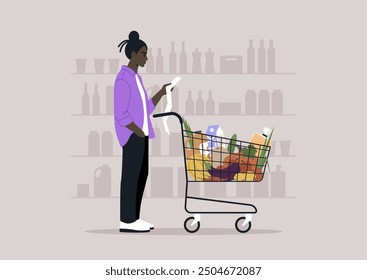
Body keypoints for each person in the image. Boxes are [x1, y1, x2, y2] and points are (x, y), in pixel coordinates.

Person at [114, 31, 172, 233]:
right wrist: (137, 132)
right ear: (133, 55)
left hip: (142, 134)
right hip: (132, 136)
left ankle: (134, 218)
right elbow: (121, 114)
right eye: (143, 54)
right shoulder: (123, 79)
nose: (146, 57)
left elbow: (145, 108)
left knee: (141, 175)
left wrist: (162, 92)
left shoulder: (136, 79)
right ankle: (126, 220)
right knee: (130, 177)